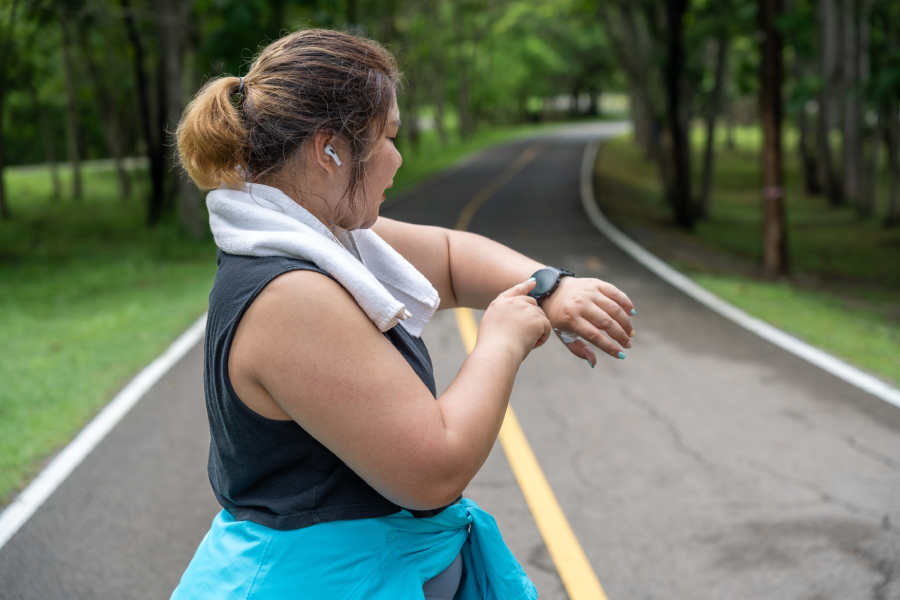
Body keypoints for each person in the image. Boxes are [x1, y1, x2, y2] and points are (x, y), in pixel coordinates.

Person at [171, 28, 635, 599]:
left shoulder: (323, 235)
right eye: (389, 135)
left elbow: (446, 255)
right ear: (331, 150)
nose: (398, 156)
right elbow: (432, 471)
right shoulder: (290, 295)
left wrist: (550, 286)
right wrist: (502, 340)